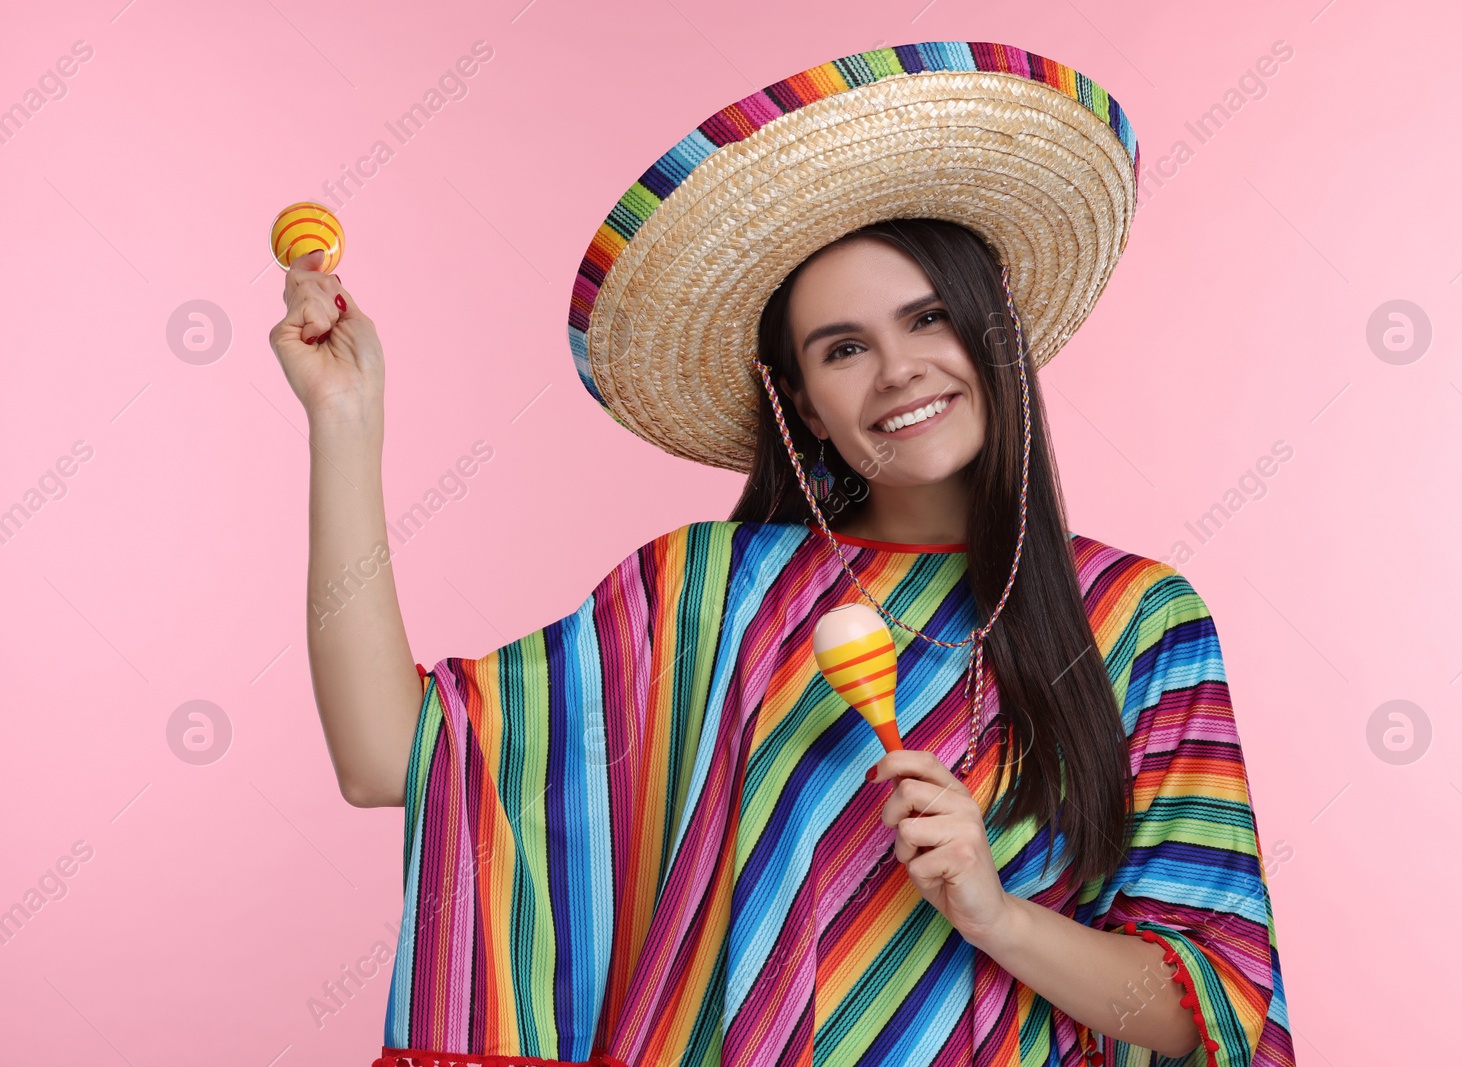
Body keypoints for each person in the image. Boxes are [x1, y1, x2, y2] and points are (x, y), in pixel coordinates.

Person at [270, 40, 1294, 1067]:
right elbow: (383, 754)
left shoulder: (1137, 617)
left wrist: (995, 914)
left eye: (928, 317)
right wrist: (344, 422)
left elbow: (1206, 1006)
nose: (897, 370)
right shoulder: (711, 592)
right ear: (800, 401)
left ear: (995, 329)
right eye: (841, 348)